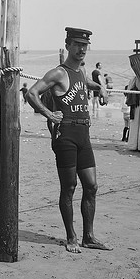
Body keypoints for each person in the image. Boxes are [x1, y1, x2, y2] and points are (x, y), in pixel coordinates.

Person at [26, 27, 112, 254]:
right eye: (77, 44)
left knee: (92, 186)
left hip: (84, 135)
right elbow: (31, 94)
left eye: (85, 45)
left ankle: (89, 236)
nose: (82, 49)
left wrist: (101, 88)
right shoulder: (58, 73)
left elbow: (84, 85)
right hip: (66, 136)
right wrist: (49, 114)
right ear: (68, 46)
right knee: (70, 187)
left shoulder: (81, 72)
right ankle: (71, 237)